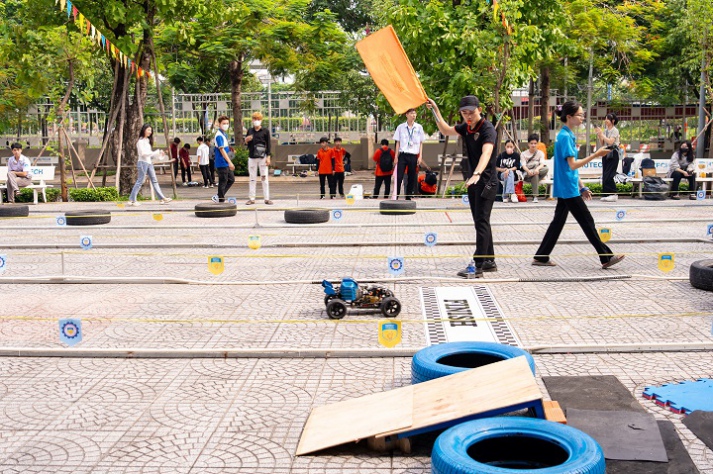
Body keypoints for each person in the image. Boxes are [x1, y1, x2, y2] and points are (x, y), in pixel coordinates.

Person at [532, 101, 624, 269]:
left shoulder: (567, 135)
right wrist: (596, 154)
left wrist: (582, 187)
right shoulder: (565, 137)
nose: (582, 117)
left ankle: (541, 256)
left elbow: (571, 168)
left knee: (558, 222)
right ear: (569, 117)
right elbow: (573, 165)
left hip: (568, 187)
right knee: (587, 221)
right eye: (580, 115)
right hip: (568, 188)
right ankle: (606, 256)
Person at [427, 95, 498, 278]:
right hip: (473, 182)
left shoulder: (487, 129)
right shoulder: (466, 128)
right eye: (464, 113)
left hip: (486, 181)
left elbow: (487, 152)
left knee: (481, 222)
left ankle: (478, 265)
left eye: (471, 113)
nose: (468, 116)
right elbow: (445, 129)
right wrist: (435, 109)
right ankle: (489, 260)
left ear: (479, 110)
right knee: (480, 222)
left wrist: (477, 173)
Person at [128, 124, 172, 206]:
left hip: (149, 162)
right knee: (140, 181)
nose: (150, 132)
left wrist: (159, 154)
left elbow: (150, 155)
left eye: (150, 130)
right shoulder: (140, 141)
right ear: (143, 130)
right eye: (148, 130)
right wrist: (155, 152)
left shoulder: (147, 141)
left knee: (154, 180)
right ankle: (133, 200)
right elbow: (143, 153)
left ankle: (162, 198)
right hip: (142, 163)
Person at [393, 108, 426, 200]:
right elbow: (398, 142)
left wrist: (420, 156)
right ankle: (396, 196)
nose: (414, 115)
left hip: (413, 155)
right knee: (399, 176)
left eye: (415, 113)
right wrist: (396, 156)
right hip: (403, 155)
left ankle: (408, 196)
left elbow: (421, 142)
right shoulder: (400, 127)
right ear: (406, 115)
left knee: (412, 176)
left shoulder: (419, 127)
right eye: (411, 113)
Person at [245, 111, 273, 205]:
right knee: (252, 178)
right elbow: (247, 144)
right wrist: (246, 140)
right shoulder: (250, 131)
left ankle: (267, 198)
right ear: (252, 120)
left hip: (262, 157)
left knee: (264, 177)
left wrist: (268, 157)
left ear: (261, 120)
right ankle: (252, 198)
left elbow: (268, 144)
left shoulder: (265, 131)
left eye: (258, 119)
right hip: (252, 156)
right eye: (255, 119)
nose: (256, 121)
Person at [595, 113, 621, 202]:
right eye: (605, 118)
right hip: (605, 153)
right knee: (605, 173)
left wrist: (602, 135)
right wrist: (599, 135)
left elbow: (610, 142)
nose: (606, 120)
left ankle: (613, 193)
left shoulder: (615, 130)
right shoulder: (605, 131)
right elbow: (603, 143)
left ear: (613, 121)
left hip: (613, 153)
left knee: (609, 174)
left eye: (608, 119)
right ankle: (606, 194)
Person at [520, 133, 548, 203]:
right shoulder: (523, 154)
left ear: (537, 144)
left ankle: (535, 197)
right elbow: (523, 166)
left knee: (545, 169)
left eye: (535, 143)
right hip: (527, 174)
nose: (533, 145)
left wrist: (537, 169)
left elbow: (542, 164)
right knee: (535, 174)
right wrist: (529, 171)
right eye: (531, 143)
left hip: (537, 171)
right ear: (528, 144)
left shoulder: (540, 153)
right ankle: (535, 197)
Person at [213, 116, 235, 203]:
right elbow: (221, 150)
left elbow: (225, 148)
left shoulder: (224, 134)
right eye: (223, 123)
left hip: (225, 162)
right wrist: (230, 162)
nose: (225, 125)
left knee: (231, 179)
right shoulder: (219, 136)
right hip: (222, 162)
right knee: (223, 181)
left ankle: (218, 196)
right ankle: (220, 199)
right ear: (219, 124)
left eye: (227, 123)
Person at [496, 139, 521, 203]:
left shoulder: (516, 155)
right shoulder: (501, 155)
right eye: (508, 146)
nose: (509, 148)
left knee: (510, 173)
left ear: (514, 147)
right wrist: (503, 170)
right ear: (505, 146)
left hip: (513, 175)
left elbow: (516, 167)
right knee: (508, 174)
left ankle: (505, 196)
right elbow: (496, 167)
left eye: (511, 147)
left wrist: (508, 170)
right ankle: (512, 194)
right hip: (502, 174)